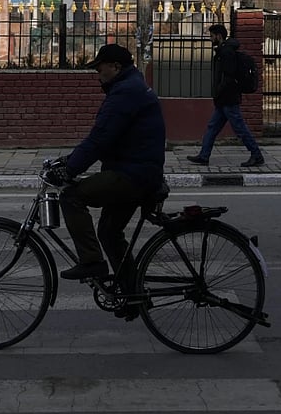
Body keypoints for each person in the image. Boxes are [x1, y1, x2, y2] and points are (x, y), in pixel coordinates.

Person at [57, 43, 166, 282]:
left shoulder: (125, 92)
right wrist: (68, 160)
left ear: (115, 67)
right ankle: (132, 292)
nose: (98, 75)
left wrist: (69, 169)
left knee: (71, 197)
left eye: (100, 69)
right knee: (108, 232)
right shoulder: (131, 86)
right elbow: (104, 138)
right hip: (139, 171)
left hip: (132, 174)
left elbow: (100, 139)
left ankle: (91, 262)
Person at [187, 23, 264, 168]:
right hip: (223, 99)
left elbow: (228, 76)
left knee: (239, 128)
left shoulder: (227, 53)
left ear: (219, 36)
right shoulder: (222, 51)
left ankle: (256, 154)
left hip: (228, 98)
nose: (210, 39)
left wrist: (219, 90)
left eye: (212, 36)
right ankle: (204, 156)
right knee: (212, 127)